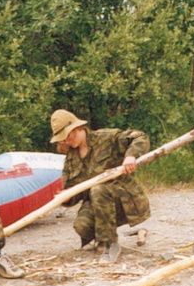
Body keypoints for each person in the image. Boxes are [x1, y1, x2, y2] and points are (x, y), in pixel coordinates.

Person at [50, 109, 150, 265]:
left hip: (125, 200)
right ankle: (102, 238)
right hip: (99, 205)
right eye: (63, 140)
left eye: (68, 137)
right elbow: (74, 192)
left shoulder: (107, 137)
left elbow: (140, 137)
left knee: (99, 190)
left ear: (78, 129)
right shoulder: (71, 159)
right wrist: (66, 197)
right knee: (81, 226)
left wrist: (131, 156)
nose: (67, 142)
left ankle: (111, 243)